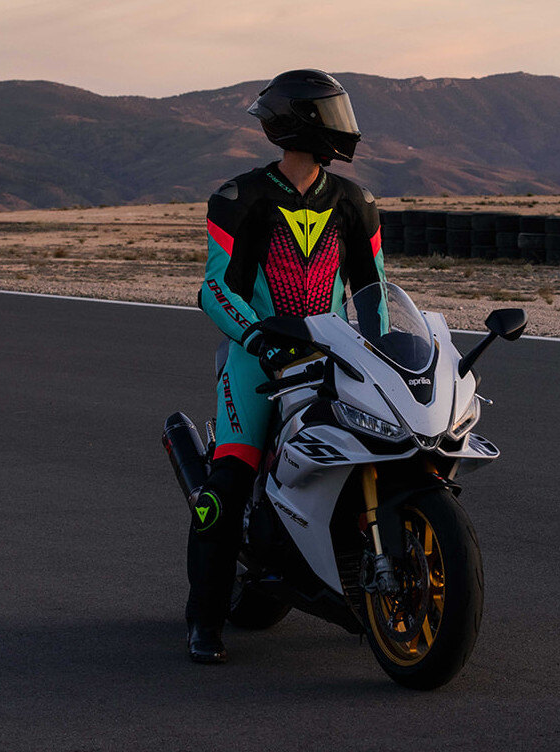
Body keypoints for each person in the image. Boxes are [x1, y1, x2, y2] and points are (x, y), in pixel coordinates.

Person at [186, 69, 386, 663]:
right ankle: (204, 621)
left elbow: (373, 291)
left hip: (331, 355)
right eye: (335, 116)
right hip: (258, 359)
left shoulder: (356, 202)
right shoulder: (238, 196)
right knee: (226, 484)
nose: (346, 129)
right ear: (303, 124)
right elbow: (214, 288)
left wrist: (383, 349)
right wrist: (257, 337)